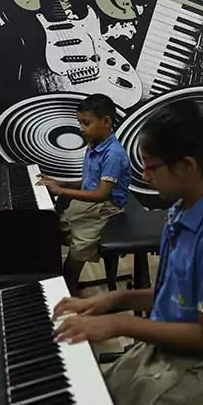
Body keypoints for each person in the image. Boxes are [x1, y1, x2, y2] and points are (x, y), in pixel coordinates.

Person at [51, 102, 203, 405]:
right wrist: (111, 301)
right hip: (173, 349)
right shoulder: (181, 211)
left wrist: (119, 325)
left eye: (151, 167)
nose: (144, 176)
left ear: (187, 166)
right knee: (97, 398)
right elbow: (174, 293)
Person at [38, 93, 131, 296]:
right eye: (79, 122)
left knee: (77, 251)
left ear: (106, 122)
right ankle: (53, 284)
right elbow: (90, 181)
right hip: (91, 202)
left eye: (86, 123)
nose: (81, 128)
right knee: (50, 227)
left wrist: (61, 191)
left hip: (107, 208)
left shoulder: (113, 154)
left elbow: (101, 194)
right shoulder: (94, 145)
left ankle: (67, 296)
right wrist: (61, 182)